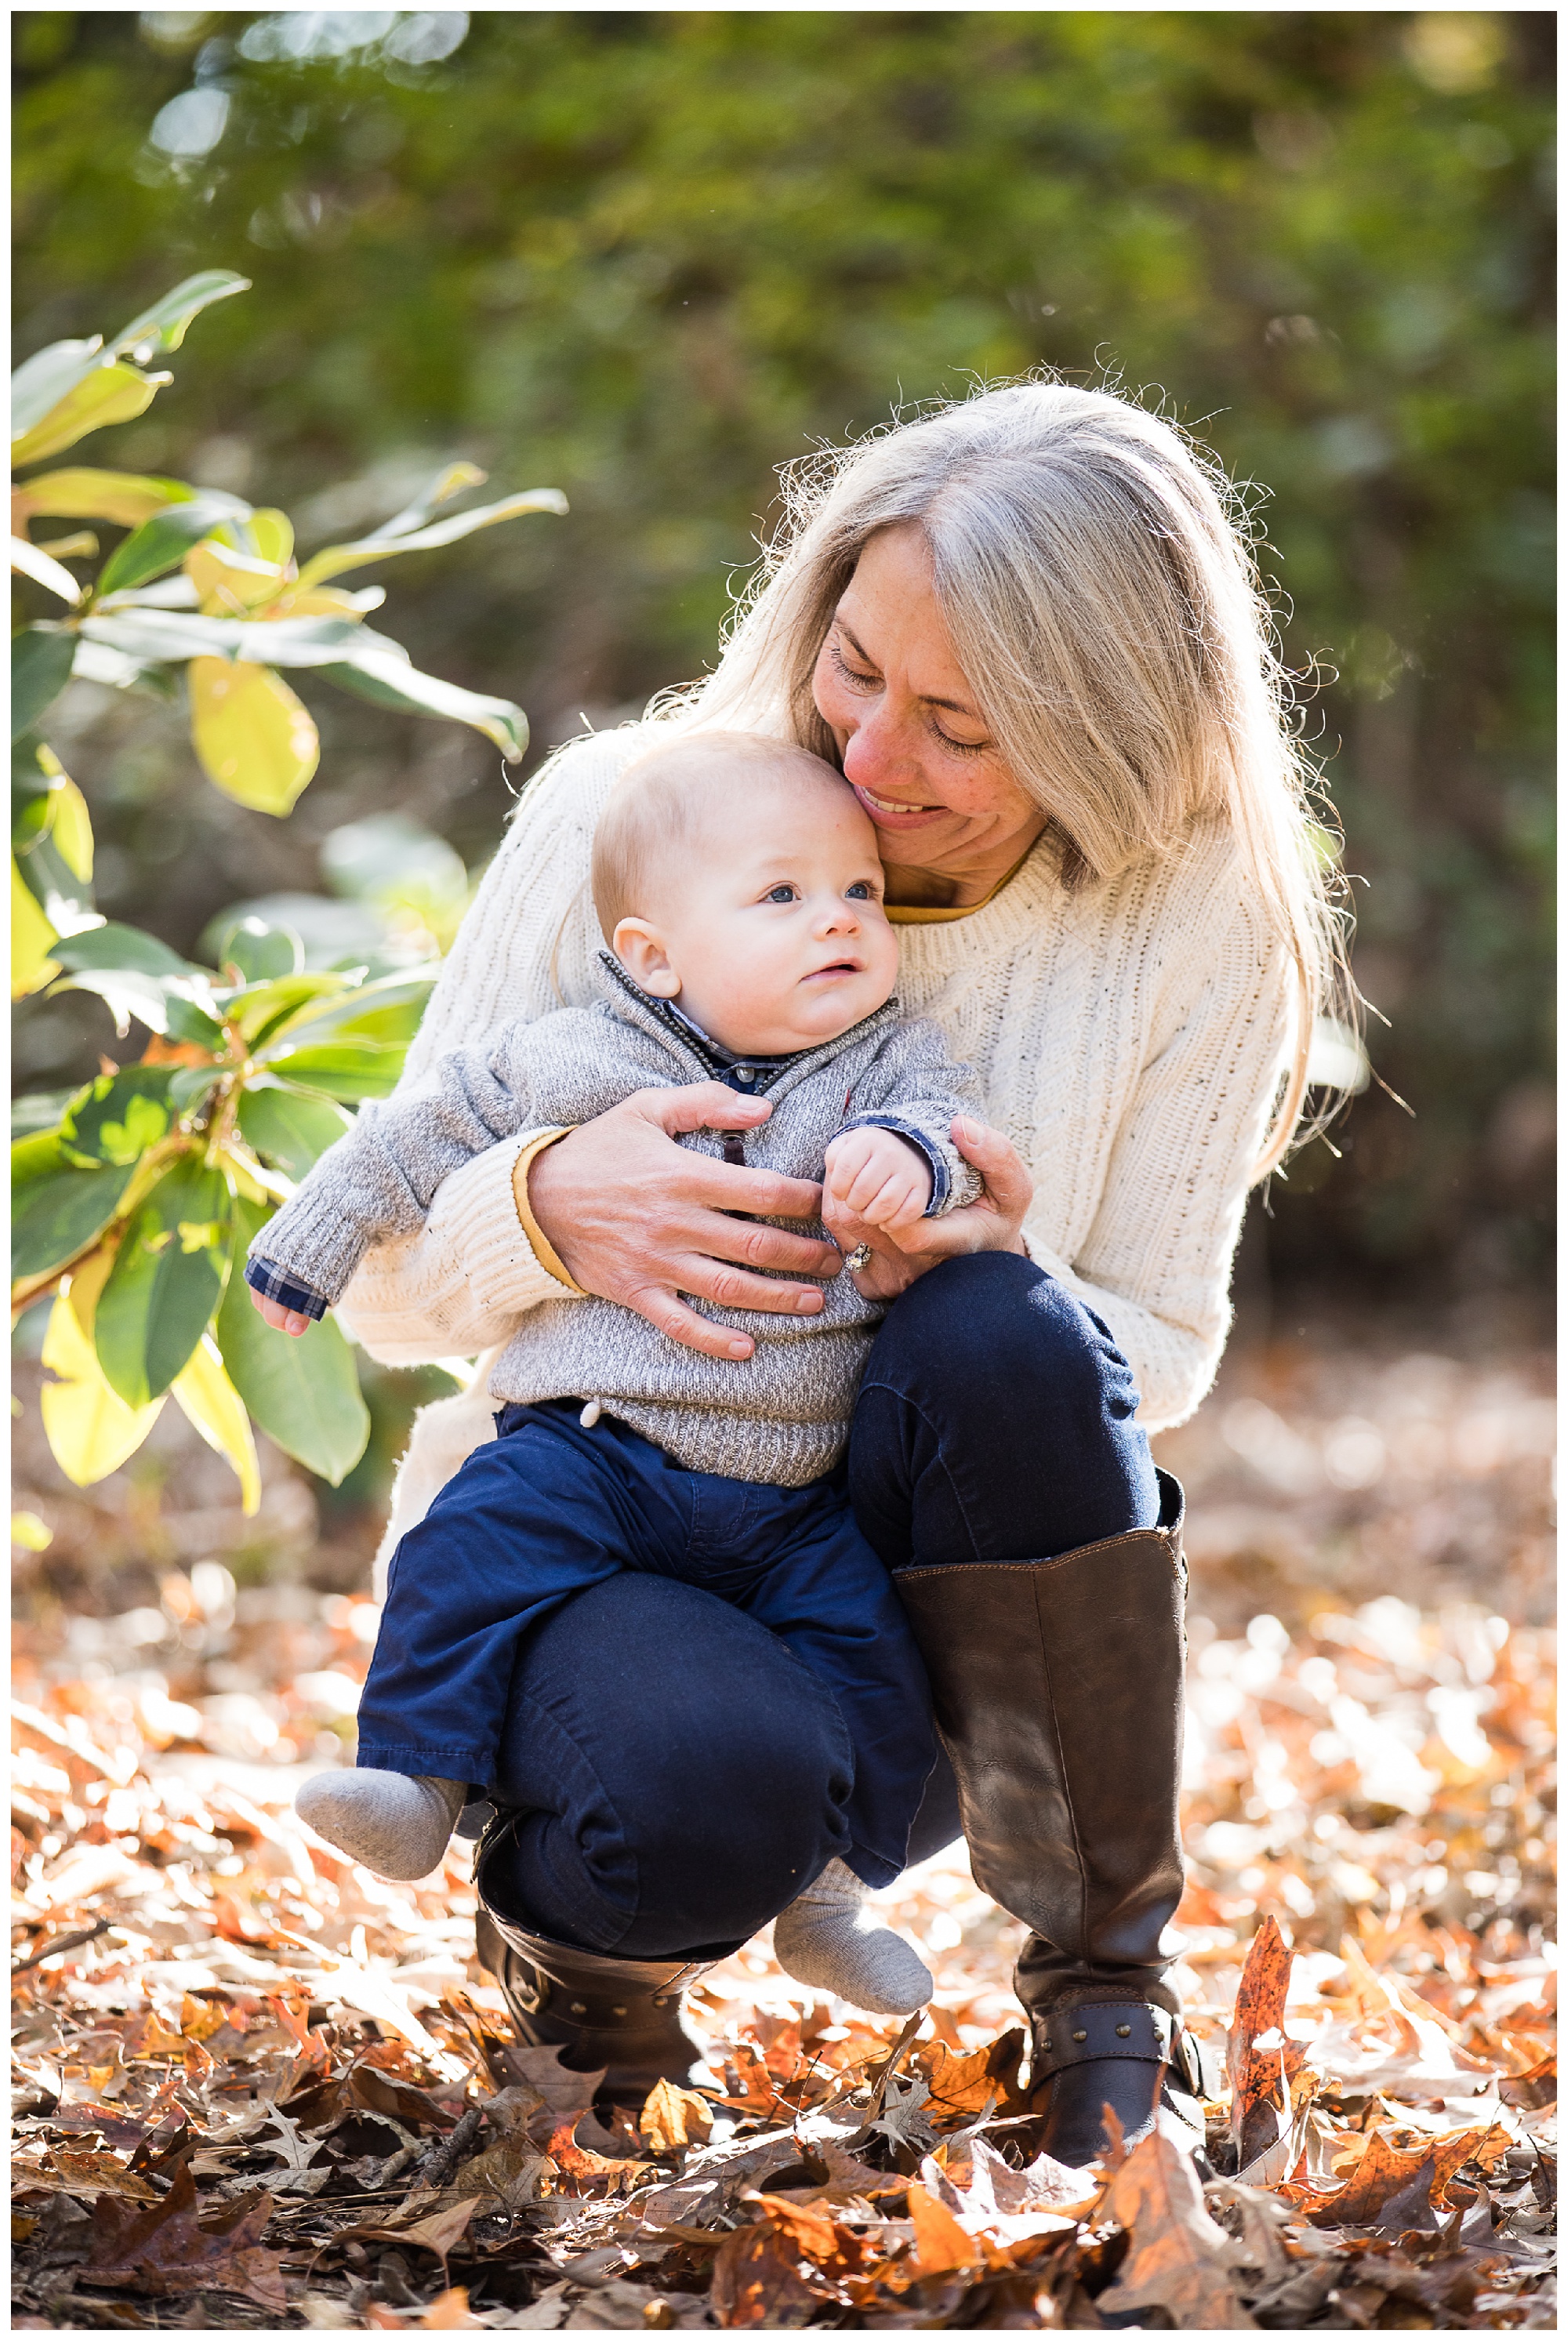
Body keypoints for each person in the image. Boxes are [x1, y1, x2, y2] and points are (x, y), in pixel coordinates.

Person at [331, 379, 1349, 2160]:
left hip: (904, 1587)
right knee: (694, 1782)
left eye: (958, 723)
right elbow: (379, 1279)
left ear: (1105, 732)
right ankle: (592, 1960)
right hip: (597, 1525)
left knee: (1003, 1327)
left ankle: (1105, 1991)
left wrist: (950, 1243)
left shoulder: (1188, 919)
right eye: (854, 669)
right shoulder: (621, 820)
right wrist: (551, 1206)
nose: (873, 758)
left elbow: (1156, 1350)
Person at [252, 733, 986, 2015]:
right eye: (783, 896)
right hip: (599, 1445)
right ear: (655, 954)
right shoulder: (589, 1055)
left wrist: (918, 1167)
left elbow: (960, 1143)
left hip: (792, 1495)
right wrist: (313, 1237)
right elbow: (424, 1128)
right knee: (470, 1544)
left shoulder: (889, 1065)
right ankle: (412, 1777)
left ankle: (827, 1899)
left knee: (874, 1666)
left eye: (860, 891)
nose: (841, 923)